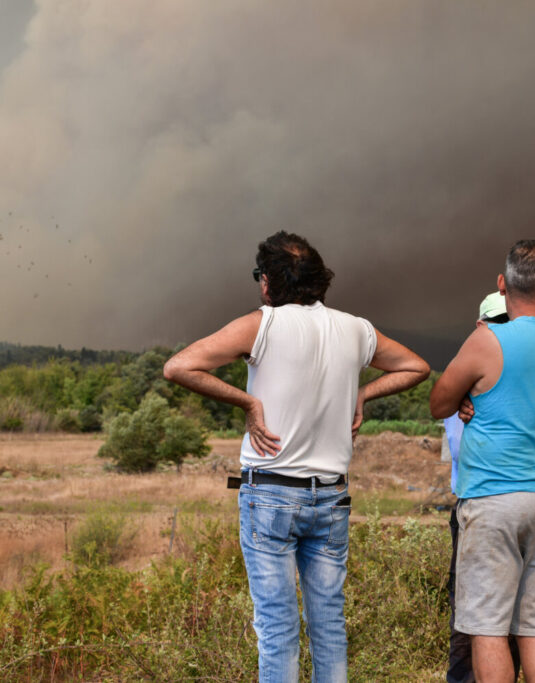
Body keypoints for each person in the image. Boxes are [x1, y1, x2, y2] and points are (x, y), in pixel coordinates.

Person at [163, 231, 429, 682]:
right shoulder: (356, 329)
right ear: (319, 280)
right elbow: (416, 367)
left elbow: (178, 367)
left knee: (277, 630)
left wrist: (249, 404)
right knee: (329, 627)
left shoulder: (260, 324)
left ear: (267, 282)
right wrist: (363, 393)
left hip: (270, 495)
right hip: (331, 500)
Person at [430, 240, 535, 683]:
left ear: (502, 285)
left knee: (487, 628)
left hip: (495, 497)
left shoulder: (487, 340)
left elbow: (438, 402)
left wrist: (466, 396)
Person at [443, 292, 520, 683]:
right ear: (480, 325)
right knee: (471, 612)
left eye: (509, 321)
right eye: (497, 322)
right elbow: (457, 448)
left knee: (507, 613)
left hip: (505, 504)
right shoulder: (467, 377)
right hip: (477, 504)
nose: (503, 330)